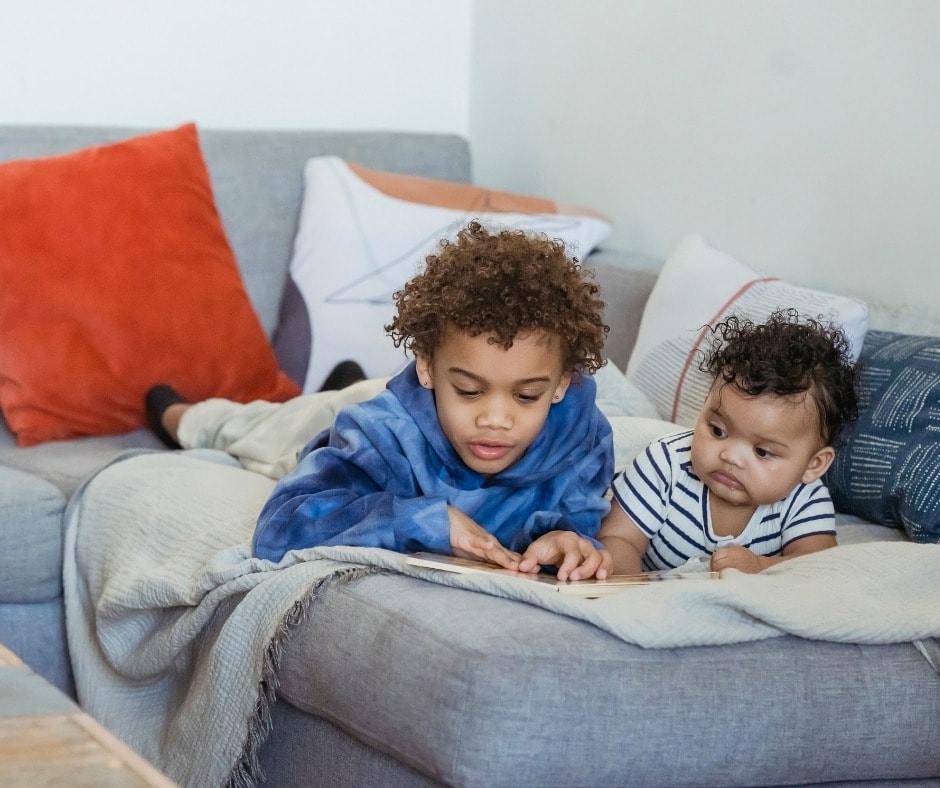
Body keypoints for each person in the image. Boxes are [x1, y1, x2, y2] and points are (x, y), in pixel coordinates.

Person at [149, 221, 616, 581]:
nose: (495, 419)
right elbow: (279, 530)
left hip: (376, 399)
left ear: (560, 385)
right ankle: (185, 415)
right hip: (351, 415)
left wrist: (567, 541)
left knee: (336, 398)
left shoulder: (582, 440)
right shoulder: (380, 433)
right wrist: (426, 520)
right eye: (470, 392)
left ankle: (346, 382)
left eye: (527, 395)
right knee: (263, 430)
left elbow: (576, 524)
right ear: (428, 366)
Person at [597, 308, 860, 575]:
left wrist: (761, 566)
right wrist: (631, 592)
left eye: (762, 451)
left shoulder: (804, 500)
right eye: (718, 431)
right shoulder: (666, 463)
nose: (731, 457)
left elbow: (817, 567)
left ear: (812, 465)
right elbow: (618, 539)